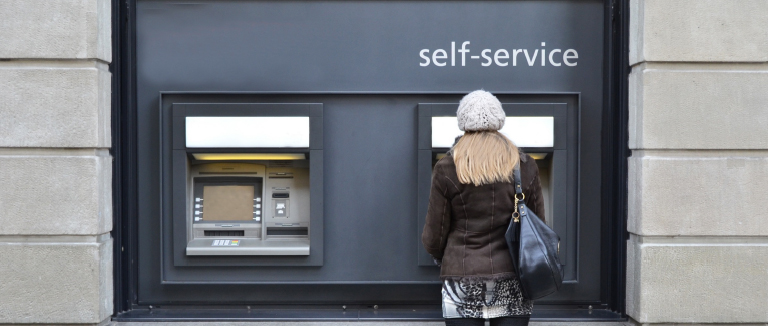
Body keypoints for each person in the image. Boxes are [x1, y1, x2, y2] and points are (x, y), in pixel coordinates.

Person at [421, 90, 546, 326]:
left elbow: (433, 236)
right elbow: (538, 226)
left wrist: (445, 257)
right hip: (514, 275)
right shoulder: (525, 165)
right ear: (498, 120)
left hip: (462, 276)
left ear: (463, 123)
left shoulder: (447, 167)